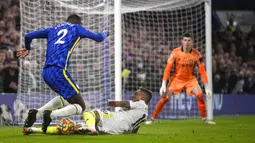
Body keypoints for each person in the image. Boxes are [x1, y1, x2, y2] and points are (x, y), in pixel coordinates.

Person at [17, 14, 109, 133]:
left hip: (46, 72)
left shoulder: (52, 29)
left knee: (68, 97)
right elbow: (99, 38)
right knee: (81, 106)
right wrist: (106, 32)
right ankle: (51, 115)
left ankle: (37, 113)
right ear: (79, 23)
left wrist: (27, 48)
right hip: (59, 71)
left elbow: (28, 36)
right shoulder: (77, 28)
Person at [145, 33, 215, 125]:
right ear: (182, 41)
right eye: (185, 40)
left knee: (200, 95)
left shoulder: (197, 55)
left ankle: (205, 120)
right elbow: (168, 69)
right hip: (176, 79)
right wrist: (163, 85)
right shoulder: (175, 52)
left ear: (192, 42)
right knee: (165, 98)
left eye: (189, 40)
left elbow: (202, 71)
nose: (186, 43)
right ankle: (152, 119)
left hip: (190, 80)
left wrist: (207, 87)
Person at [23, 87, 152, 135]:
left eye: (136, 94)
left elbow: (125, 103)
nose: (133, 96)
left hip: (116, 120)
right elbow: (134, 130)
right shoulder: (144, 114)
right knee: (74, 128)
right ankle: (32, 130)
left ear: (141, 97)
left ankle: (92, 128)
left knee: (89, 113)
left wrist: (112, 103)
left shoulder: (140, 103)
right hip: (116, 130)